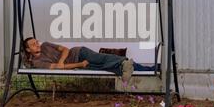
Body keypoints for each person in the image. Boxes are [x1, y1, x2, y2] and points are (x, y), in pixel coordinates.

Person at [23, 38, 156, 82]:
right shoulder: (37, 63)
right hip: (79, 64)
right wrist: (80, 64)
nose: (37, 44)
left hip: (80, 52)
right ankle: (130, 66)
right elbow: (58, 68)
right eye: (33, 44)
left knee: (104, 58)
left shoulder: (46, 44)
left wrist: (62, 61)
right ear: (28, 50)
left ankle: (124, 63)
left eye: (37, 42)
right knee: (107, 67)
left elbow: (65, 49)